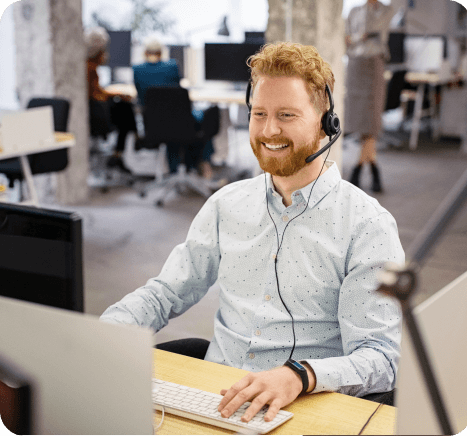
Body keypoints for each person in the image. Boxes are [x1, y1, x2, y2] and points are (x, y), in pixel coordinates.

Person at [101, 42, 404, 423]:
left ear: (325, 120)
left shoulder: (366, 225)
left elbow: (381, 357)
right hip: (216, 398)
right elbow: (166, 292)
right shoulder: (226, 204)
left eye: (287, 115)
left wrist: (301, 375)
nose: (269, 129)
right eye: (258, 113)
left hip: (305, 408)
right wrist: (103, 334)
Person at [133, 37, 215, 179]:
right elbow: (175, 94)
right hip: (179, 124)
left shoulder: (137, 70)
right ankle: (200, 164)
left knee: (172, 127)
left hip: (153, 126)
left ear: (145, 52)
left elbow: (141, 97)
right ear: (161, 52)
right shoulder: (172, 67)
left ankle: (175, 170)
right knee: (202, 118)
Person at [344, 0, 395, 192]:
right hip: (355, 66)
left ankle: (358, 168)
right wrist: (360, 37)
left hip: (374, 65)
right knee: (359, 121)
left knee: (372, 121)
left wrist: (359, 37)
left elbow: (375, 31)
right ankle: (372, 165)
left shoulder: (385, 10)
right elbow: (347, 39)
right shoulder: (354, 11)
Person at [85, 27, 138, 173]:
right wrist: (116, 95)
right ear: (97, 51)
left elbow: (97, 92)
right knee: (125, 109)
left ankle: (121, 152)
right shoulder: (88, 69)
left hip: (97, 111)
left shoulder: (90, 68)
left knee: (124, 106)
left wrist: (115, 94)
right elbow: (96, 95)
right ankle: (131, 143)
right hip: (98, 117)